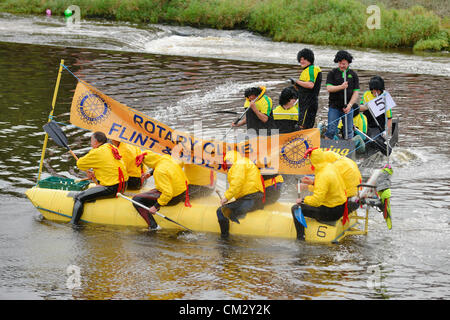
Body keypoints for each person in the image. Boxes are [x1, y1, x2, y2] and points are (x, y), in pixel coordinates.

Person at [71, 131, 128, 225]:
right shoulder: (111, 147)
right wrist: (95, 173)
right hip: (124, 185)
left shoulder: (97, 151)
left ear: (96, 142)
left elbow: (80, 164)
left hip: (112, 188)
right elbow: (109, 166)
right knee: (92, 187)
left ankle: (74, 225)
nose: (90, 143)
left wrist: (88, 169)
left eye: (91, 140)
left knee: (79, 197)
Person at [291, 148, 348, 239]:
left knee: (295, 208)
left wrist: (302, 200)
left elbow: (316, 201)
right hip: (341, 206)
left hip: (331, 212)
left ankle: (300, 237)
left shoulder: (322, 175)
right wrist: (311, 184)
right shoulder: (329, 167)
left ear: (313, 161)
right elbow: (327, 188)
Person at [132, 151, 190, 230]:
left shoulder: (159, 171)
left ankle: (153, 226)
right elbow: (165, 166)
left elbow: (168, 194)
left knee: (136, 199)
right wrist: (150, 173)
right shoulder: (167, 158)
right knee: (155, 189)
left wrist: (156, 207)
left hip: (174, 197)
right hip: (183, 191)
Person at [216, 150, 265, 238]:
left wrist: (226, 198)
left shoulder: (239, 164)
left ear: (232, 158)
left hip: (250, 199)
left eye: (227, 161)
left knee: (221, 211)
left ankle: (224, 238)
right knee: (229, 210)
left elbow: (237, 183)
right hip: (256, 199)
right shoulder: (244, 162)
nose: (227, 164)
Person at [325, 50, 360, 140]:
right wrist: (341, 87)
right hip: (334, 106)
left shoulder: (353, 75)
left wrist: (350, 105)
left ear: (348, 63)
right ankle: (325, 150)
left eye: (344, 64)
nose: (341, 66)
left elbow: (356, 92)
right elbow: (329, 88)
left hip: (348, 107)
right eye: (340, 63)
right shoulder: (332, 73)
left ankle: (350, 151)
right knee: (331, 130)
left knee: (348, 132)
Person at [292, 48, 322, 129]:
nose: (301, 61)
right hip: (303, 104)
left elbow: (310, 85)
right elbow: (302, 88)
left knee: (303, 126)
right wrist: (295, 84)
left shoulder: (312, 69)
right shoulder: (305, 71)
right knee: (300, 125)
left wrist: (297, 81)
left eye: (304, 59)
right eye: (300, 59)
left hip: (309, 104)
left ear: (310, 59)